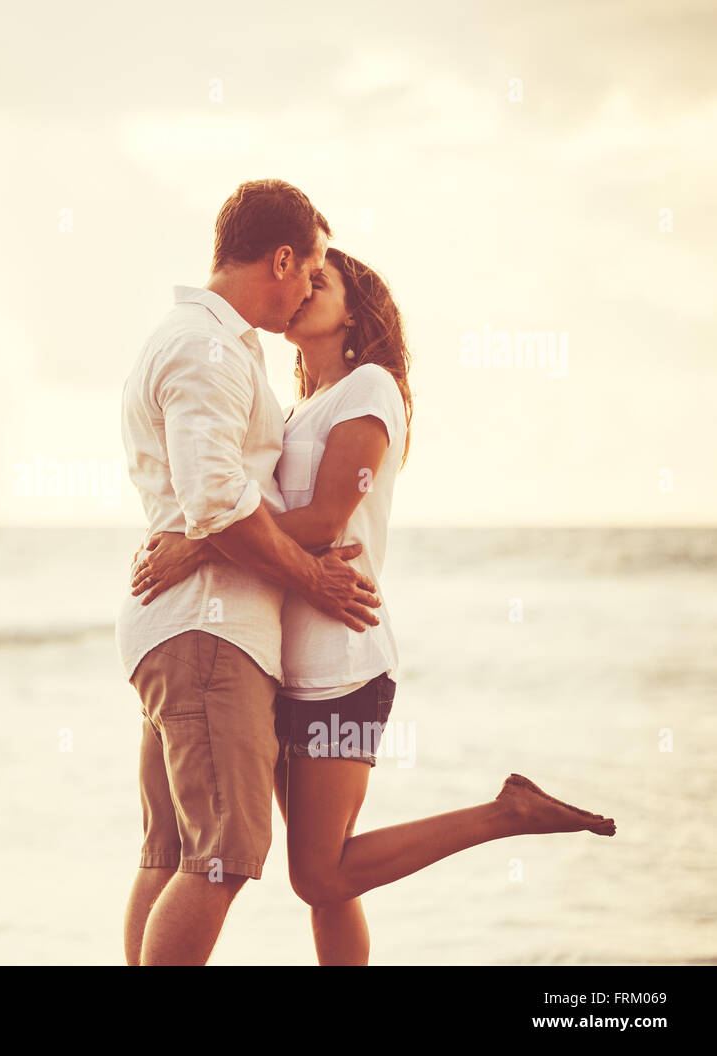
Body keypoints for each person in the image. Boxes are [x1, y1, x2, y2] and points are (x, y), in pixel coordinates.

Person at [129, 245, 616, 965]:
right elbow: (255, 515)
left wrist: (196, 543)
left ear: (355, 311)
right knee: (332, 881)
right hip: (283, 665)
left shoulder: (371, 387)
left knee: (319, 874)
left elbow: (326, 521)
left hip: (342, 665)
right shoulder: (305, 408)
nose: (298, 295)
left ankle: (504, 812)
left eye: (317, 284)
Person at [115, 179, 382, 967]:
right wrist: (312, 577)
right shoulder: (206, 349)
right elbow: (217, 502)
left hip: (188, 628)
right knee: (225, 853)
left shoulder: (216, 344)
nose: (307, 288)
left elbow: (216, 501)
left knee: (171, 853)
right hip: (209, 631)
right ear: (282, 257)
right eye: (312, 268)